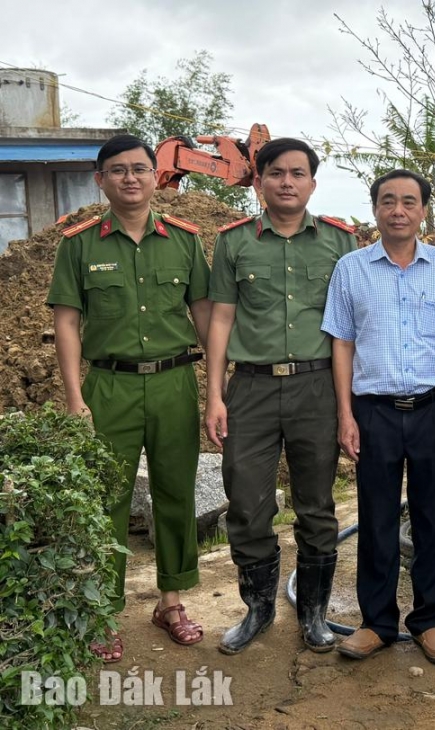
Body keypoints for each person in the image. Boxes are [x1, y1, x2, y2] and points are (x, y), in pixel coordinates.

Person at [322, 169, 435, 664]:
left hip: (432, 409)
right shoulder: (352, 270)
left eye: (408, 201)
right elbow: (342, 343)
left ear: (424, 209)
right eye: (388, 201)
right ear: (375, 209)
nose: (398, 210)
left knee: (432, 517)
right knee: (376, 518)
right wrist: (346, 414)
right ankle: (376, 622)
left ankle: (428, 619)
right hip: (374, 411)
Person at [47, 133, 211, 662]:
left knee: (174, 491)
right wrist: (75, 397)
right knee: (106, 499)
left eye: (140, 168)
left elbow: (205, 315)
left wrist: (218, 391)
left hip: (173, 383)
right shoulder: (79, 243)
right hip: (108, 386)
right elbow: (67, 322)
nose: (130, 178)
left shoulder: (185, 240)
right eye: (117, 170)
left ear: (155, 175)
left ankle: (171, 601)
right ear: (101, 180)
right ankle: (104, 611)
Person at [204, 138, 356, 655]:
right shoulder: (233, 242)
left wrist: (345, 404)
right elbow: (220, 318)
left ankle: (313, 613)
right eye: (275, 173)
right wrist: (214, 396)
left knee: (316, 505)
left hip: (318, 386)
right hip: (250, 388)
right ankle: (258, 609)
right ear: (259, 181)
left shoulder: (339, 242)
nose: (286, 182)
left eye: (297, 173)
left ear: (313, 182)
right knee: (247, 503)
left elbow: (346, 330)